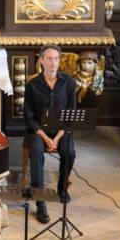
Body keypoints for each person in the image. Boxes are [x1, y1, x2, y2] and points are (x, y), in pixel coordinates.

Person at [23, 43, 77, 224]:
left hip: (61, 130)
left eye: (56, 59)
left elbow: (71, 114)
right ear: (41, 61)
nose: (53, 63)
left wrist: (58, 137)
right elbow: (29, 117)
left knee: (69, 151)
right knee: (37, 153)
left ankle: (62, 188)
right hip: (39, 131)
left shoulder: (69, 82)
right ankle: (40, 202)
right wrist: (46, 138)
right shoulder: (33, 85)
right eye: (49, 58)